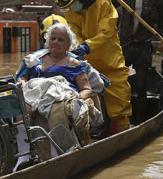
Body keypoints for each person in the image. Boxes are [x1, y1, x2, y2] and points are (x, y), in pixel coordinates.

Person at [54, 0, 132, 134]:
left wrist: (86, 46)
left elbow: (106, 32)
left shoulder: (104, 4)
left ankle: (121, 132)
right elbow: (74, 30)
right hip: (89, 65)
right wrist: (77, 45)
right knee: (86, 105)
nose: (73, 7)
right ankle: (93, 134)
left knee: (119, 105)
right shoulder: (72, 12)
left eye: (74, 3)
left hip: (111, 63)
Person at [16, 21, 100, 165]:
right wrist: (24, 84)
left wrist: (78, 98)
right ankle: (24, 155)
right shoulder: (36, 59)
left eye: (60, 40)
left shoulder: (74, 63)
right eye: (53, 39)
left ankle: (57, 154)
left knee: (57, 111)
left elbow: (87, 89)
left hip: (60, 97)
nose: (55, 42)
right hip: (36, 94)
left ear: (69, 45)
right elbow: (22, 77)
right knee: (22, 109)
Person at [114, 0, 163, 122]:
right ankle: (116, 118)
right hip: (125, 42)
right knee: (117, 80)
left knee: (141, 85)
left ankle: (140, 121)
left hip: (143, 44)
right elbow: (112, 5)